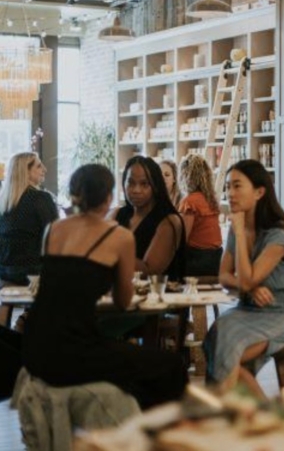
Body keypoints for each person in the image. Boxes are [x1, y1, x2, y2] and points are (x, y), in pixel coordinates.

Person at [23, 164, 188, 409]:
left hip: (35, 345)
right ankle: (142, 433)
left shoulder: (53, 229)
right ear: (109, 196)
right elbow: (123, 301)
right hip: (75, 347)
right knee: (171, 367)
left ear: (74, 194)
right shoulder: (118, 236)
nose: (136, 190)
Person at [202, 159, 284, 399]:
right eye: (228, 187)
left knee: (223, 346)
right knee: (218, 336)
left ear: (260, 192)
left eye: (237, 186)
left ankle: (218, 415)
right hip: (249, 308)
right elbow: (225, 276)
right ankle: (260, 416)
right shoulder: (236, 228)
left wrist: (239, 234)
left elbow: (245, 280)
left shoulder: (278, 233)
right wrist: (251, 286)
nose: (230, 193)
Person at [113, 156, 186, 281]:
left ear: (156, 186)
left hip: (161, 296)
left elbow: (149, 271)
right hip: (121, 294)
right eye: (130, 183)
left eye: (144, 184)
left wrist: (107, 252)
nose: (136, 190)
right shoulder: (117, 214)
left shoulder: (169, 222)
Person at [0, 152, 58, 288]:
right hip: (32, 271)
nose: (44, 169)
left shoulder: (4, 202)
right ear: (25, 172)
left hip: (4, 271)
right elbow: (55, 235)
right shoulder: (40, 198)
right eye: (38, 166)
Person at [178, 154, 222, 277]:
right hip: (216, 257)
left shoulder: (189, 201)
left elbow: (183, 237)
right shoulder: (211, 200)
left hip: (197, 258)